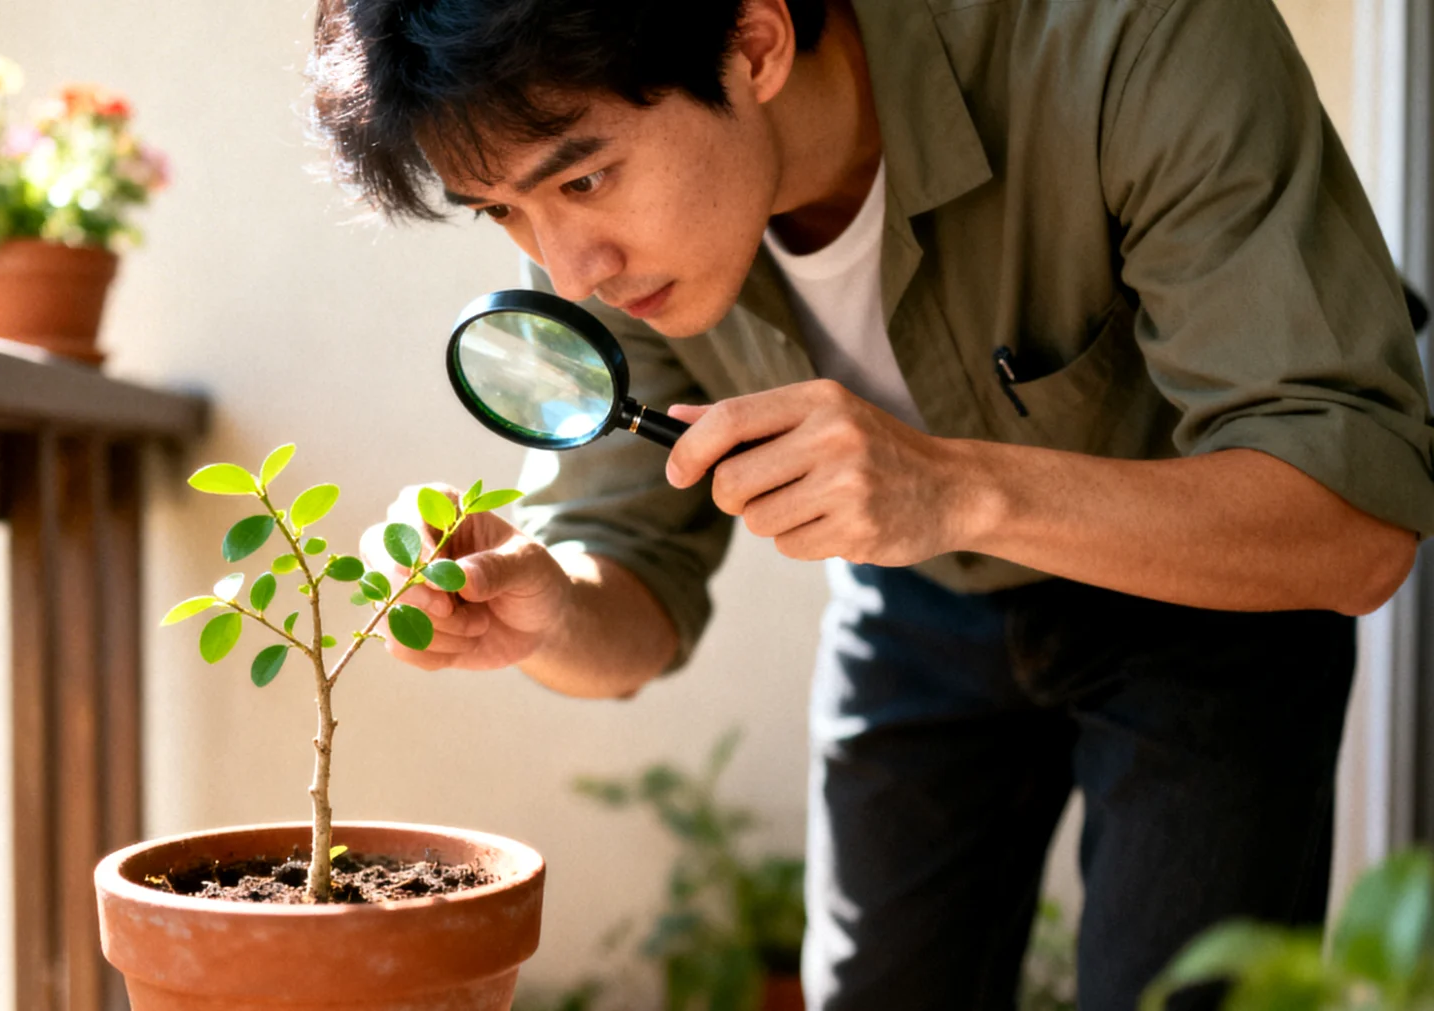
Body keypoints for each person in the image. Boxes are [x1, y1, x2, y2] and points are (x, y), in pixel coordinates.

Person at [309, 0, 1434, 1007]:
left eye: (582, 178)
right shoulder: (621, 266)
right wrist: (551, 609)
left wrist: (954, 489)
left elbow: (1353, 525)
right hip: (918, 602)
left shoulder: (1129, 33)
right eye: (502, 212)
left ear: (753, 41)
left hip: (1205, 590)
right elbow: (628, 588)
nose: (570, 272)